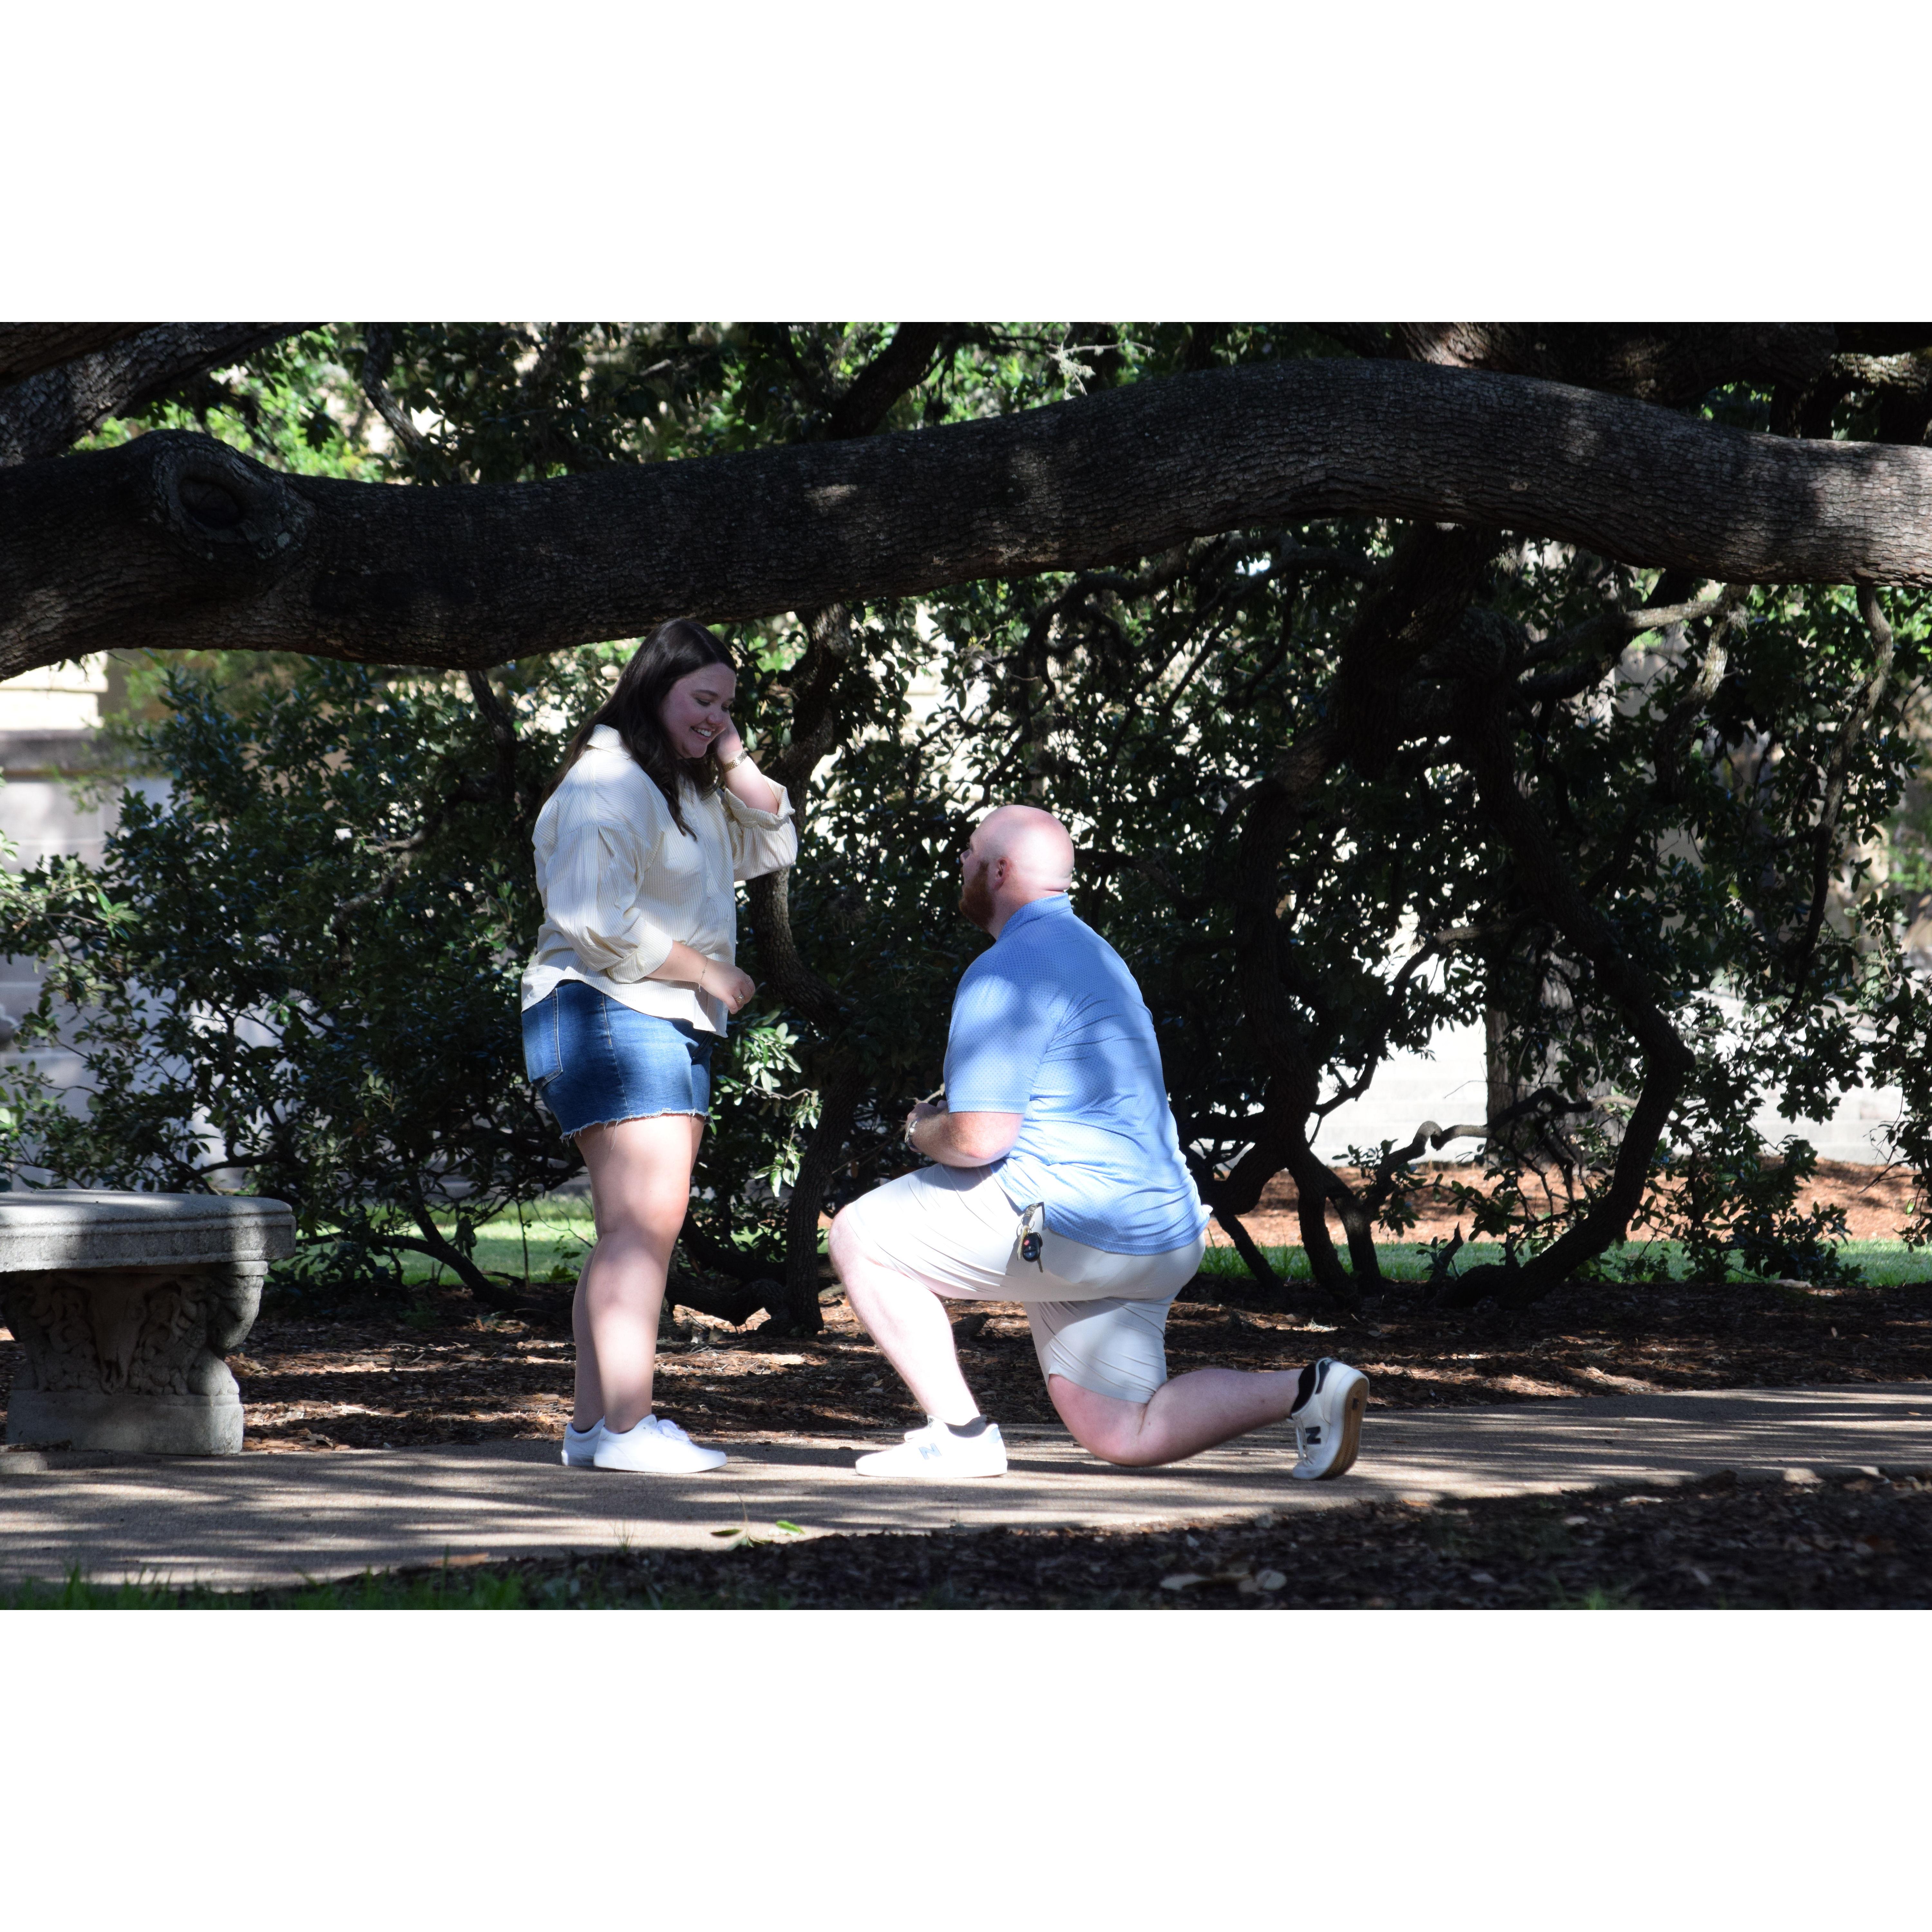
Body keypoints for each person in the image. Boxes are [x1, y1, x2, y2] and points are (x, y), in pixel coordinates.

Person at [828, 803, 1368, 1481]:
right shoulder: (1097, 954)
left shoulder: (1007, 969)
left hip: (1075, 1226)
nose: (961, 862)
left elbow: (978, 1137)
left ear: (1000, 871)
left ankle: (960, 1435)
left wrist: (920, 1127)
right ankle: (1311, 1388)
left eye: (970, 852)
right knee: (1124, 1431)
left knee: (860, 1236)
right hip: (1164, 1235)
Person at [521, 619, 796, 1473]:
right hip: (610, 1009)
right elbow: (593, 919)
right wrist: (706, 970)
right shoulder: (606, 782)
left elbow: (773, 838)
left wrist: (733, 756)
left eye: (727, 705)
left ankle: (594, 1428)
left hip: (654, 1017)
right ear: (653, 689)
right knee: (643, 1227)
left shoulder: (685, 788)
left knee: (629, 1231)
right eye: (701, 699)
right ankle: (628, 1427)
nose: (715, 717)